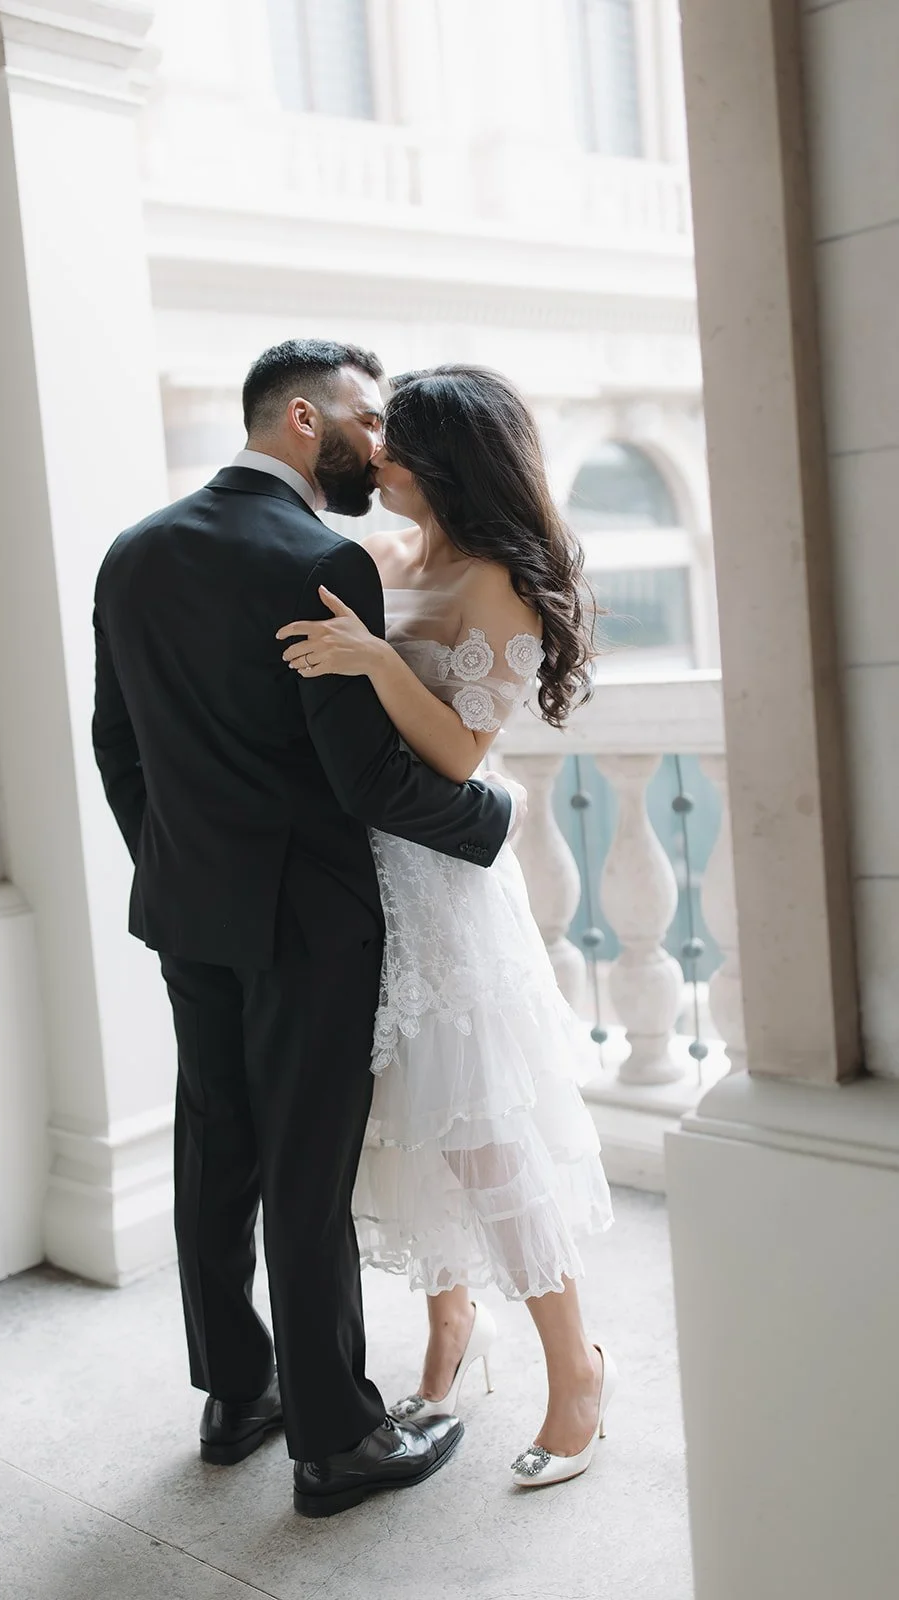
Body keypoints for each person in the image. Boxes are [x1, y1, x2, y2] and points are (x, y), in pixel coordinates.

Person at [91, 339, 525, 1518]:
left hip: (188, 906)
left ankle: (236, 1397)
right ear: (299, 417)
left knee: (212, 1148)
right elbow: (366, 781)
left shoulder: (132, 551)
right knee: (304, 1167)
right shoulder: (320, 558)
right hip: (308, 921)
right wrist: (490, 816)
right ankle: (335, 1439)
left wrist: (175, 862)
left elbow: (115, 745)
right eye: (363, 417)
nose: (377, 441)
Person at [278, 365, 616, 1489]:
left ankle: (575, 1372)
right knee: (405, 1126)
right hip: (370, 881)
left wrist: (376, 660)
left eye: (394, 444)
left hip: (449, 894)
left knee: (483, 1135)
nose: (374, 459)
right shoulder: (385, 558)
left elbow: (462, 759)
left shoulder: (498, 586)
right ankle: (445, 1332)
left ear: (444, 460)